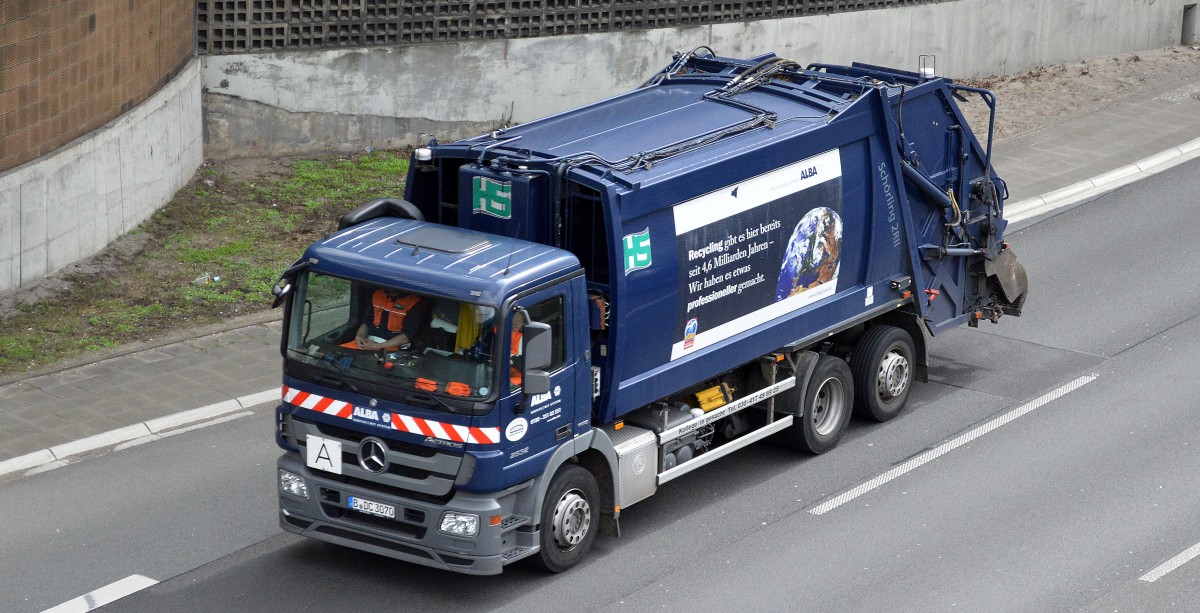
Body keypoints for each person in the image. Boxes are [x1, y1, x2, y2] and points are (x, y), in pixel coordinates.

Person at [344, 286, 429, 351]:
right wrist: (359, 337)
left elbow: (406, 336)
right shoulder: (377, 294)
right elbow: (366, 323)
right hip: (367, 343)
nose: (391, 290)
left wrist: (377, 346)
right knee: (340, 353)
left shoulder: (414, 303)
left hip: (391, 347)